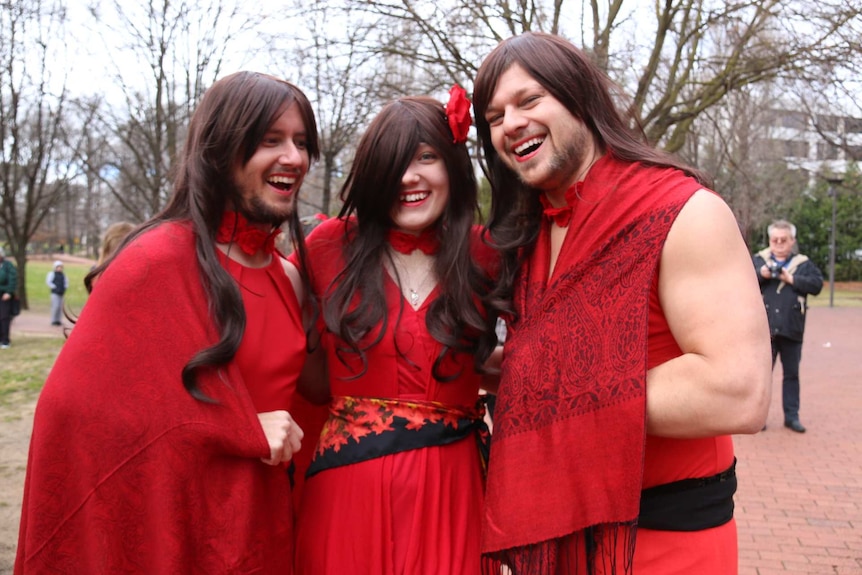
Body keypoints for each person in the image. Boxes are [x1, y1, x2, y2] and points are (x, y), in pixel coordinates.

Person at [471, 32, 772, 574]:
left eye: (529, 100)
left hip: (664, 541)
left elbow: (737, 391)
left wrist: (543, 391)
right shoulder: (527, 234)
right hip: (558, 536)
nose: (510, 123)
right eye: (493, 116)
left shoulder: (684, 211)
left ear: (580, 99)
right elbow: (540, 367)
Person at [15, 71, 318, 574]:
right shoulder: (155, 261)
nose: (295, 158)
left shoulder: (290, 278)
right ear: (221, 149)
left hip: (262, 533)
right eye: (271, 140)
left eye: (302, 142)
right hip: (179, 538)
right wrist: (241, 427)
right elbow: (74, 415)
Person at [292, 90, 501, 575]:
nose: (409, 177)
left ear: (452, 163)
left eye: (426, 157)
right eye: (394, 162)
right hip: (346, 496)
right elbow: (272, 341)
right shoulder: (327, 249)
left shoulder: (489, 256)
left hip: (453, 494)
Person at [753, 219, 823, 433]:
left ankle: (791, 417)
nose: (779, 243)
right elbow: (741, 281)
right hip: (765, 331)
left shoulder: (803, 264)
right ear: (769, 240)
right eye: (775, 239)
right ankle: (758, 418)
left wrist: (792, 279)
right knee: (763, 377)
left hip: (792, 329)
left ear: (792, 241)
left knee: (791, 375)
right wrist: (761, 275)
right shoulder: (758, 260)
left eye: (784, 239)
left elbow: (817, 285)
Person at [0, 247, 17, 349]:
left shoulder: (8, 266)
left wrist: (9, 292)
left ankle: (5, 340)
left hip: (4, 296)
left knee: (4, 318)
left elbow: (13, 279)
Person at [45, 260, 68, 326]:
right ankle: (54, 320)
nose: (59, 268)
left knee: (60, 307)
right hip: (55, 293)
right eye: (58, 267)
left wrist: (64, 288)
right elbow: (49, 282)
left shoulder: (63, 275)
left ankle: (58, 320)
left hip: (61, 292)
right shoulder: (52, 274)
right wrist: (54, 287)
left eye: (61, 267)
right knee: (55, 306)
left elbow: (66, 283)